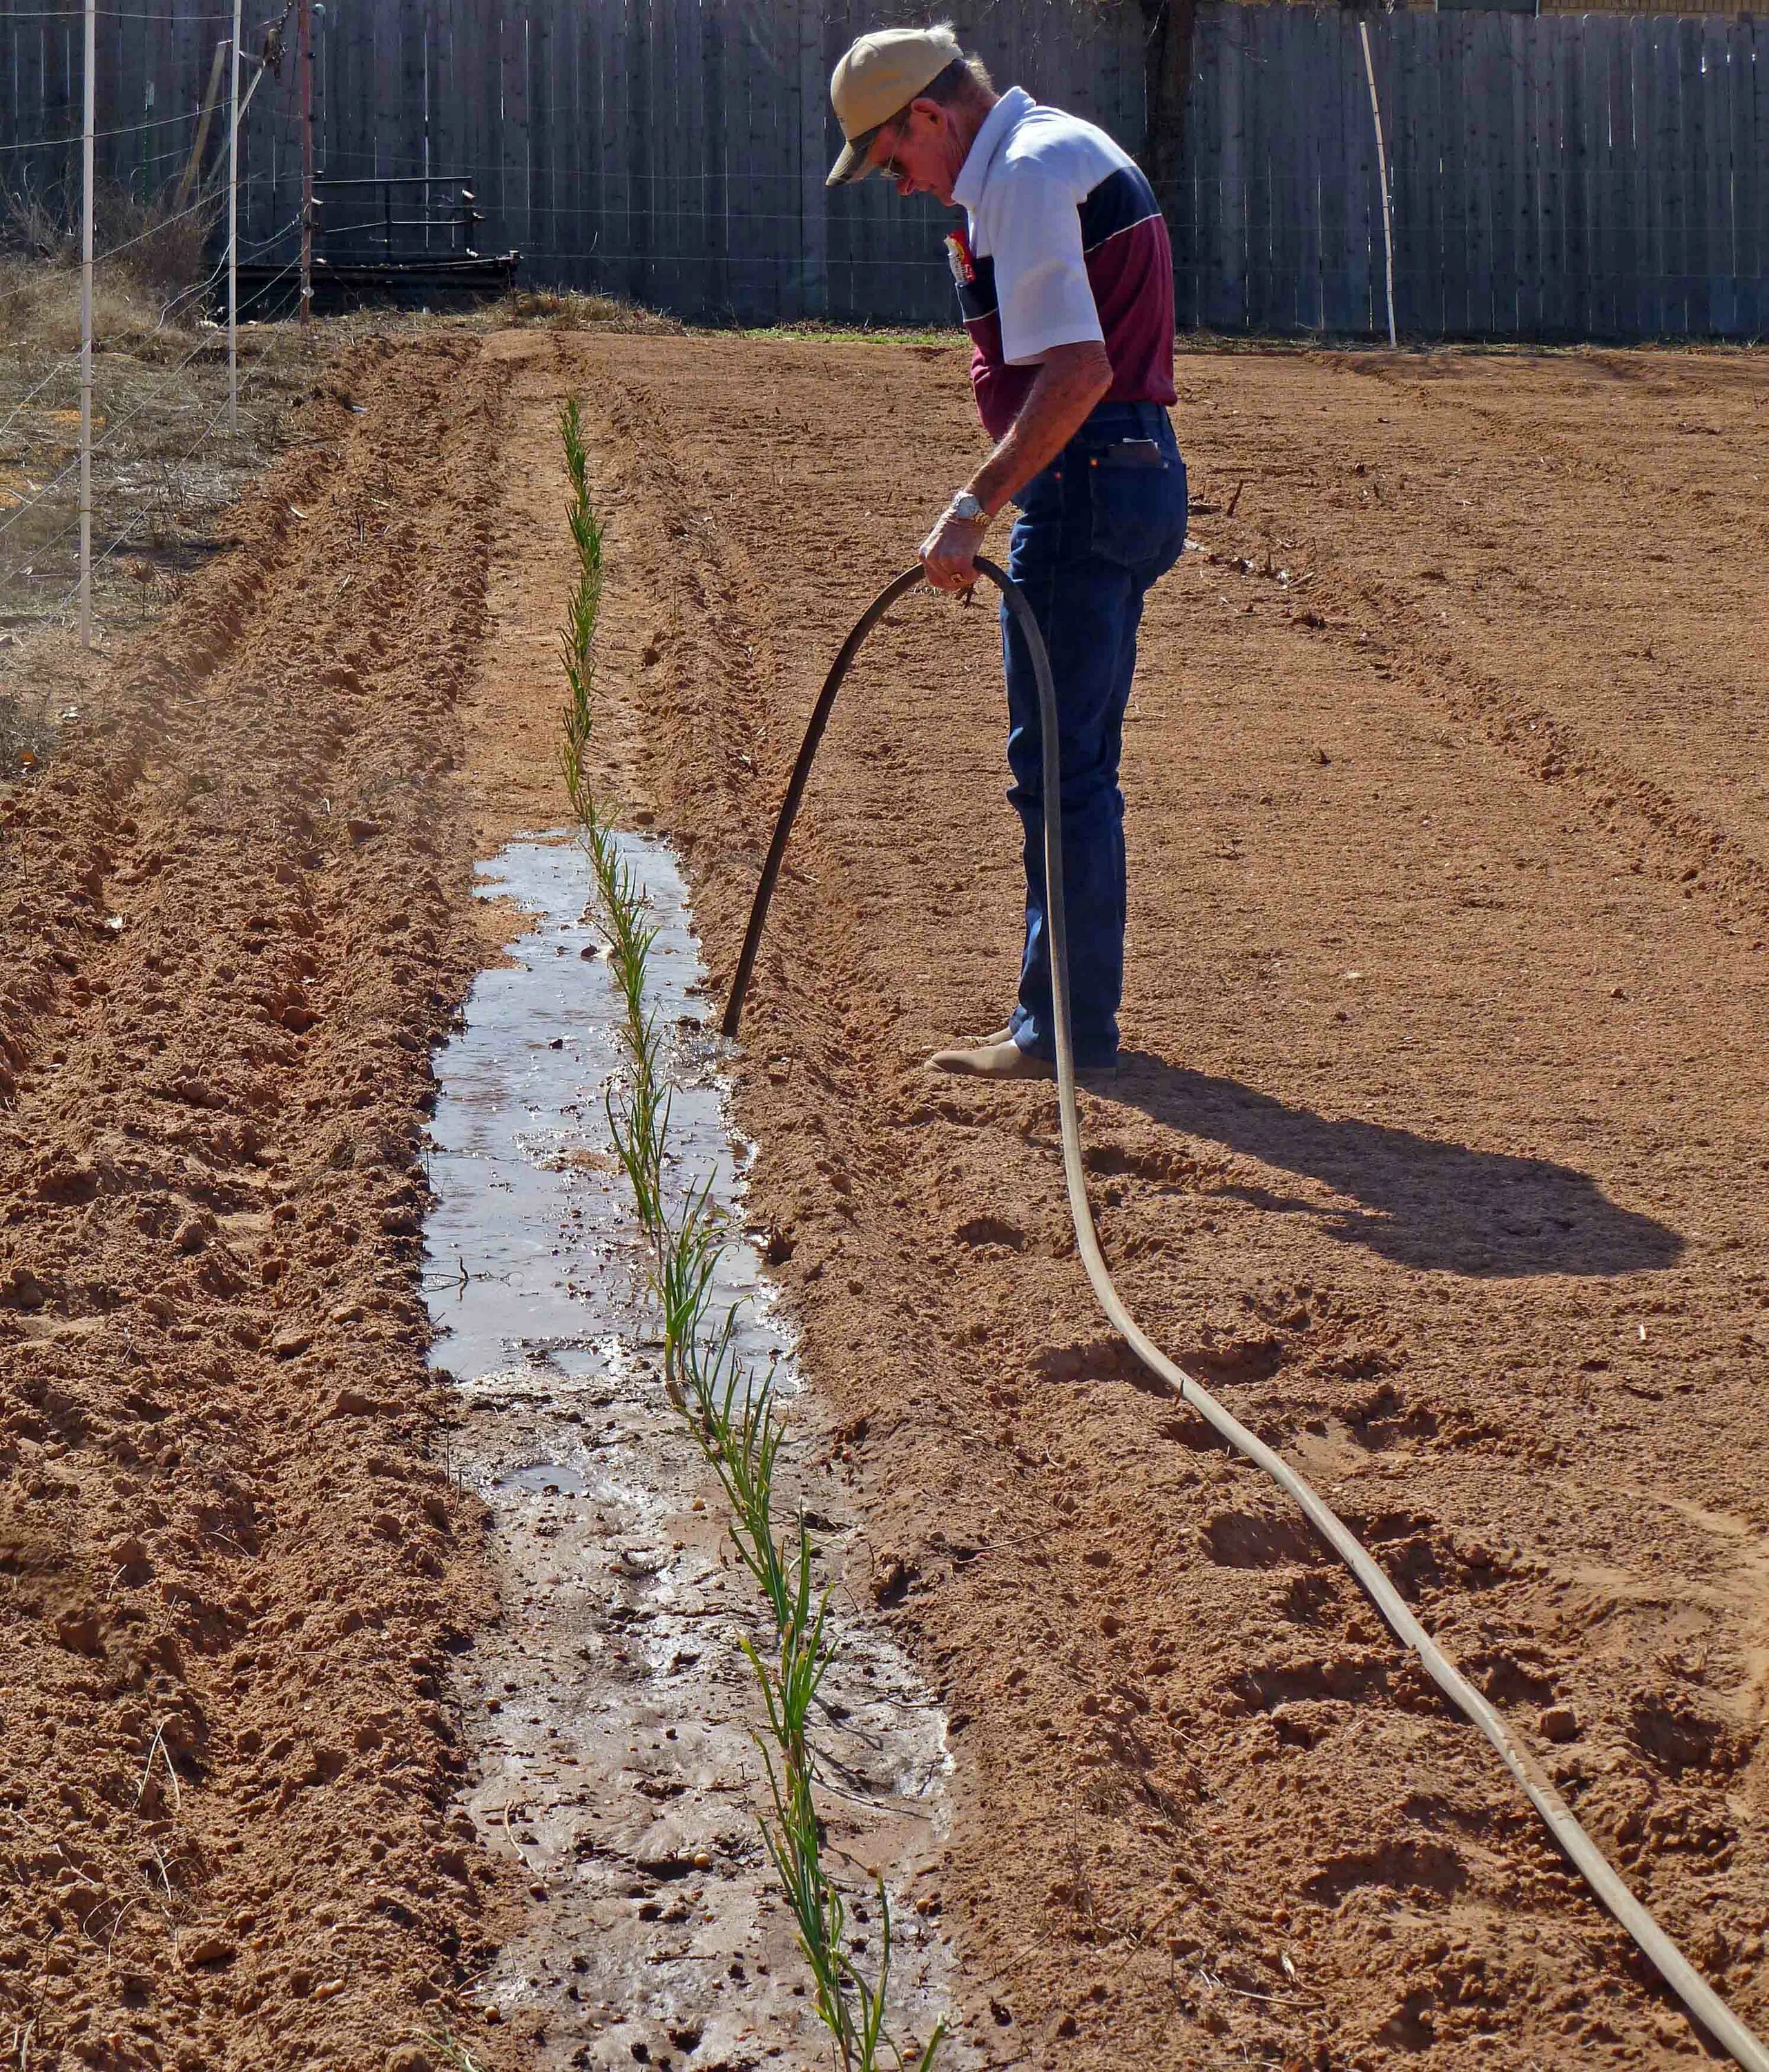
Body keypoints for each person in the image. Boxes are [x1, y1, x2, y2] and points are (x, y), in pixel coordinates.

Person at [826, 23, 1188, 1081]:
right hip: (1128, 474)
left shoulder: (1027, 176)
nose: (900, 186)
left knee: (1063, 779)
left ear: (930, 115)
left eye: (895, 159)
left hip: (1084, 489)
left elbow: (1075, 371)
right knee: (1075, 770)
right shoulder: (1052, 153)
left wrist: (973, 505)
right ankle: (1070, 1020)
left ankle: (1062, 1036)